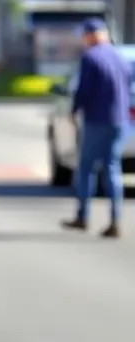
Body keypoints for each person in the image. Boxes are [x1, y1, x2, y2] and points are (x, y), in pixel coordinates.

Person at [62, 17, 132, 238]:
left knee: (86, 168)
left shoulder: (90, 57)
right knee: (112, 167)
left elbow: (83, 90)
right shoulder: (120, 57)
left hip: (96, 120)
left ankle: (83, 216)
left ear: (90, 35)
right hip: (120, 120)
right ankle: (115, 220)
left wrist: (73, 111)